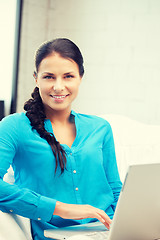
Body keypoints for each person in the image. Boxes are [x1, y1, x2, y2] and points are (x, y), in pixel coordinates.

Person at [0, 38, 122, 240]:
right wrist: (61, 209)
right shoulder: (14, 127)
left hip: (108, 231)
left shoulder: (100, 128)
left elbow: (115, 187)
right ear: (36, 78)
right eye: (49, 77)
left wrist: (123, 226)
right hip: (55, 235)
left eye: (68, 76)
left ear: (80, 78)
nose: (58, 86)